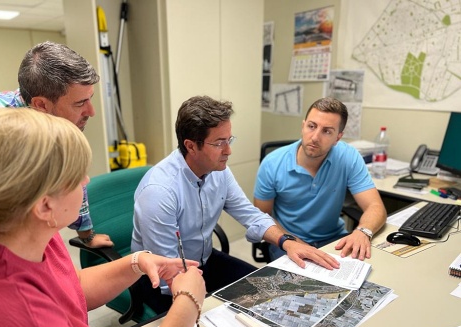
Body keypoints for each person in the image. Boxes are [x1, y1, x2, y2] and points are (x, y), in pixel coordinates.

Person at [0, 108, 205, 327]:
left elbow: (68, 289)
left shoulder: (19, 226)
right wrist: (187, 302)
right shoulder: (14, 310)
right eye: (77, 177)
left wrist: (135, 262)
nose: (87, 180)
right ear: (44, 205)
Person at [130, 95, 340, 314]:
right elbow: (169, 272)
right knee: (224, 320)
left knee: (271, 291)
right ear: (191, 146)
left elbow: (250, 214)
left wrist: (287, 241)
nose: (228, 150)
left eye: (229, 140)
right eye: (219, 143)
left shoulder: (219, 171)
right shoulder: (159, 191)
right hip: (160, 279)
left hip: (203, 260)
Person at [0, 41, 112, 249]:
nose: (91, 112)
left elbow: (72, 178)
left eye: (90, 99)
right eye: (80, 103)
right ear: (41, 104)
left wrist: (86, 236)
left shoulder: (50, 118)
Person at [254, 97, 387, 262]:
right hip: (289, 240)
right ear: (303, 126)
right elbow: (262, 217)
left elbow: (375, 206)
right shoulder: (272, 163)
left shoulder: (349, 157)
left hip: (333, 239)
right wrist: (290, 242)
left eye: (327, 131)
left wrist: (363, 231)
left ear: (338, 137)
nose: (315, 137)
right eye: (311, 126)